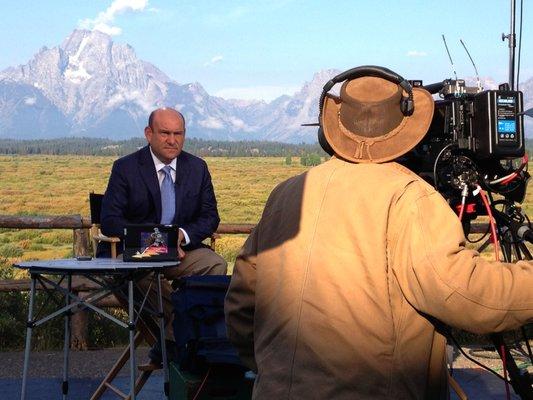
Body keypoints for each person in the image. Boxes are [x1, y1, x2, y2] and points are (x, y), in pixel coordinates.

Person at [224, 68, 533, 399]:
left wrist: (273, 366)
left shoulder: (285, 194)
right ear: (407, 131)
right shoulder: (408, 196)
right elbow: (465, 295)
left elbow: (242, 303)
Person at [100, 107, 227, 365]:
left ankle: (169, 340)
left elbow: (210, 217)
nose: (172, 140)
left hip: (183, 252)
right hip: (138, 254)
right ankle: (185, 336)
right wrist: (161, 242)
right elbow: (110, 221)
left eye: (178, 133)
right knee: (139, 278)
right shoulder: (126, 168)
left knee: (216, 265)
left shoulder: (197, 168)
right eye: (165, 133)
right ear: (149, 134)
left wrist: (180, 235)